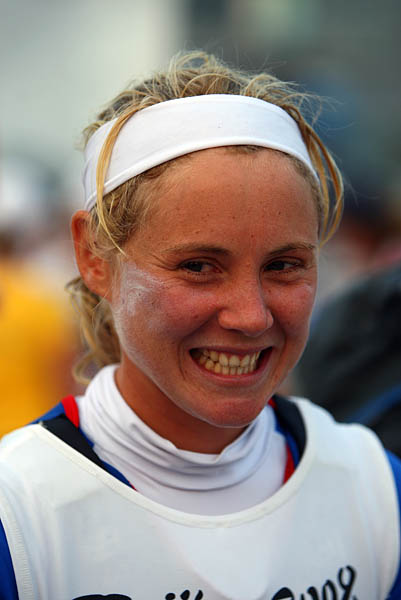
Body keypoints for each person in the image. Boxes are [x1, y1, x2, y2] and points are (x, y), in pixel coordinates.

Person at [0, 51, 399, 600]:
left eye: (283, 266)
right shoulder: (21, 514)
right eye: (198, 267)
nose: (251, 315)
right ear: (95, 258)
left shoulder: (374, 486)